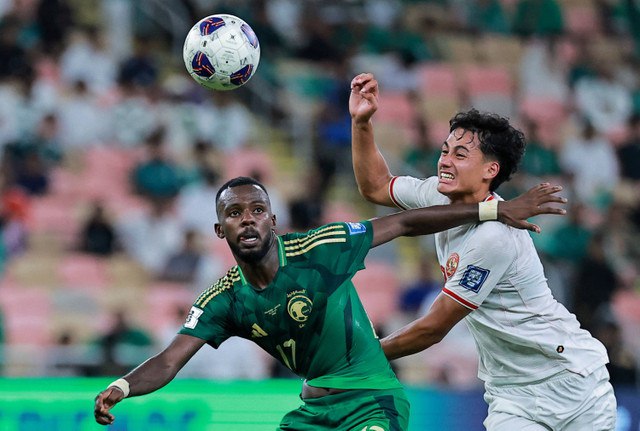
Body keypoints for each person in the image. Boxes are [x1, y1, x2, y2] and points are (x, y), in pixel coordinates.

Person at [94, 175, 564, 430]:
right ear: (221, 231)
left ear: (273, 219)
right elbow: (170, 359)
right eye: (234, 214)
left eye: (257, 210)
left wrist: (495, 209)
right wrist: (121, 387)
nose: (248, 220)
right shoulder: (224, 300)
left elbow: (404, 223)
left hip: (372, 405)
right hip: (311, 417)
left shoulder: (320, 249)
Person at [349, 72, 617, 430]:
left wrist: (357, 358)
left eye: (460, 154)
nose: (444, 161)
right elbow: (376, 186)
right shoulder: (437, 195)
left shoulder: (494, 237)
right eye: (444, 151)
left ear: (491, 170)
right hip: (511, 396)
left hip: (572, 384)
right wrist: (362, 122)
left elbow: (434, 327)